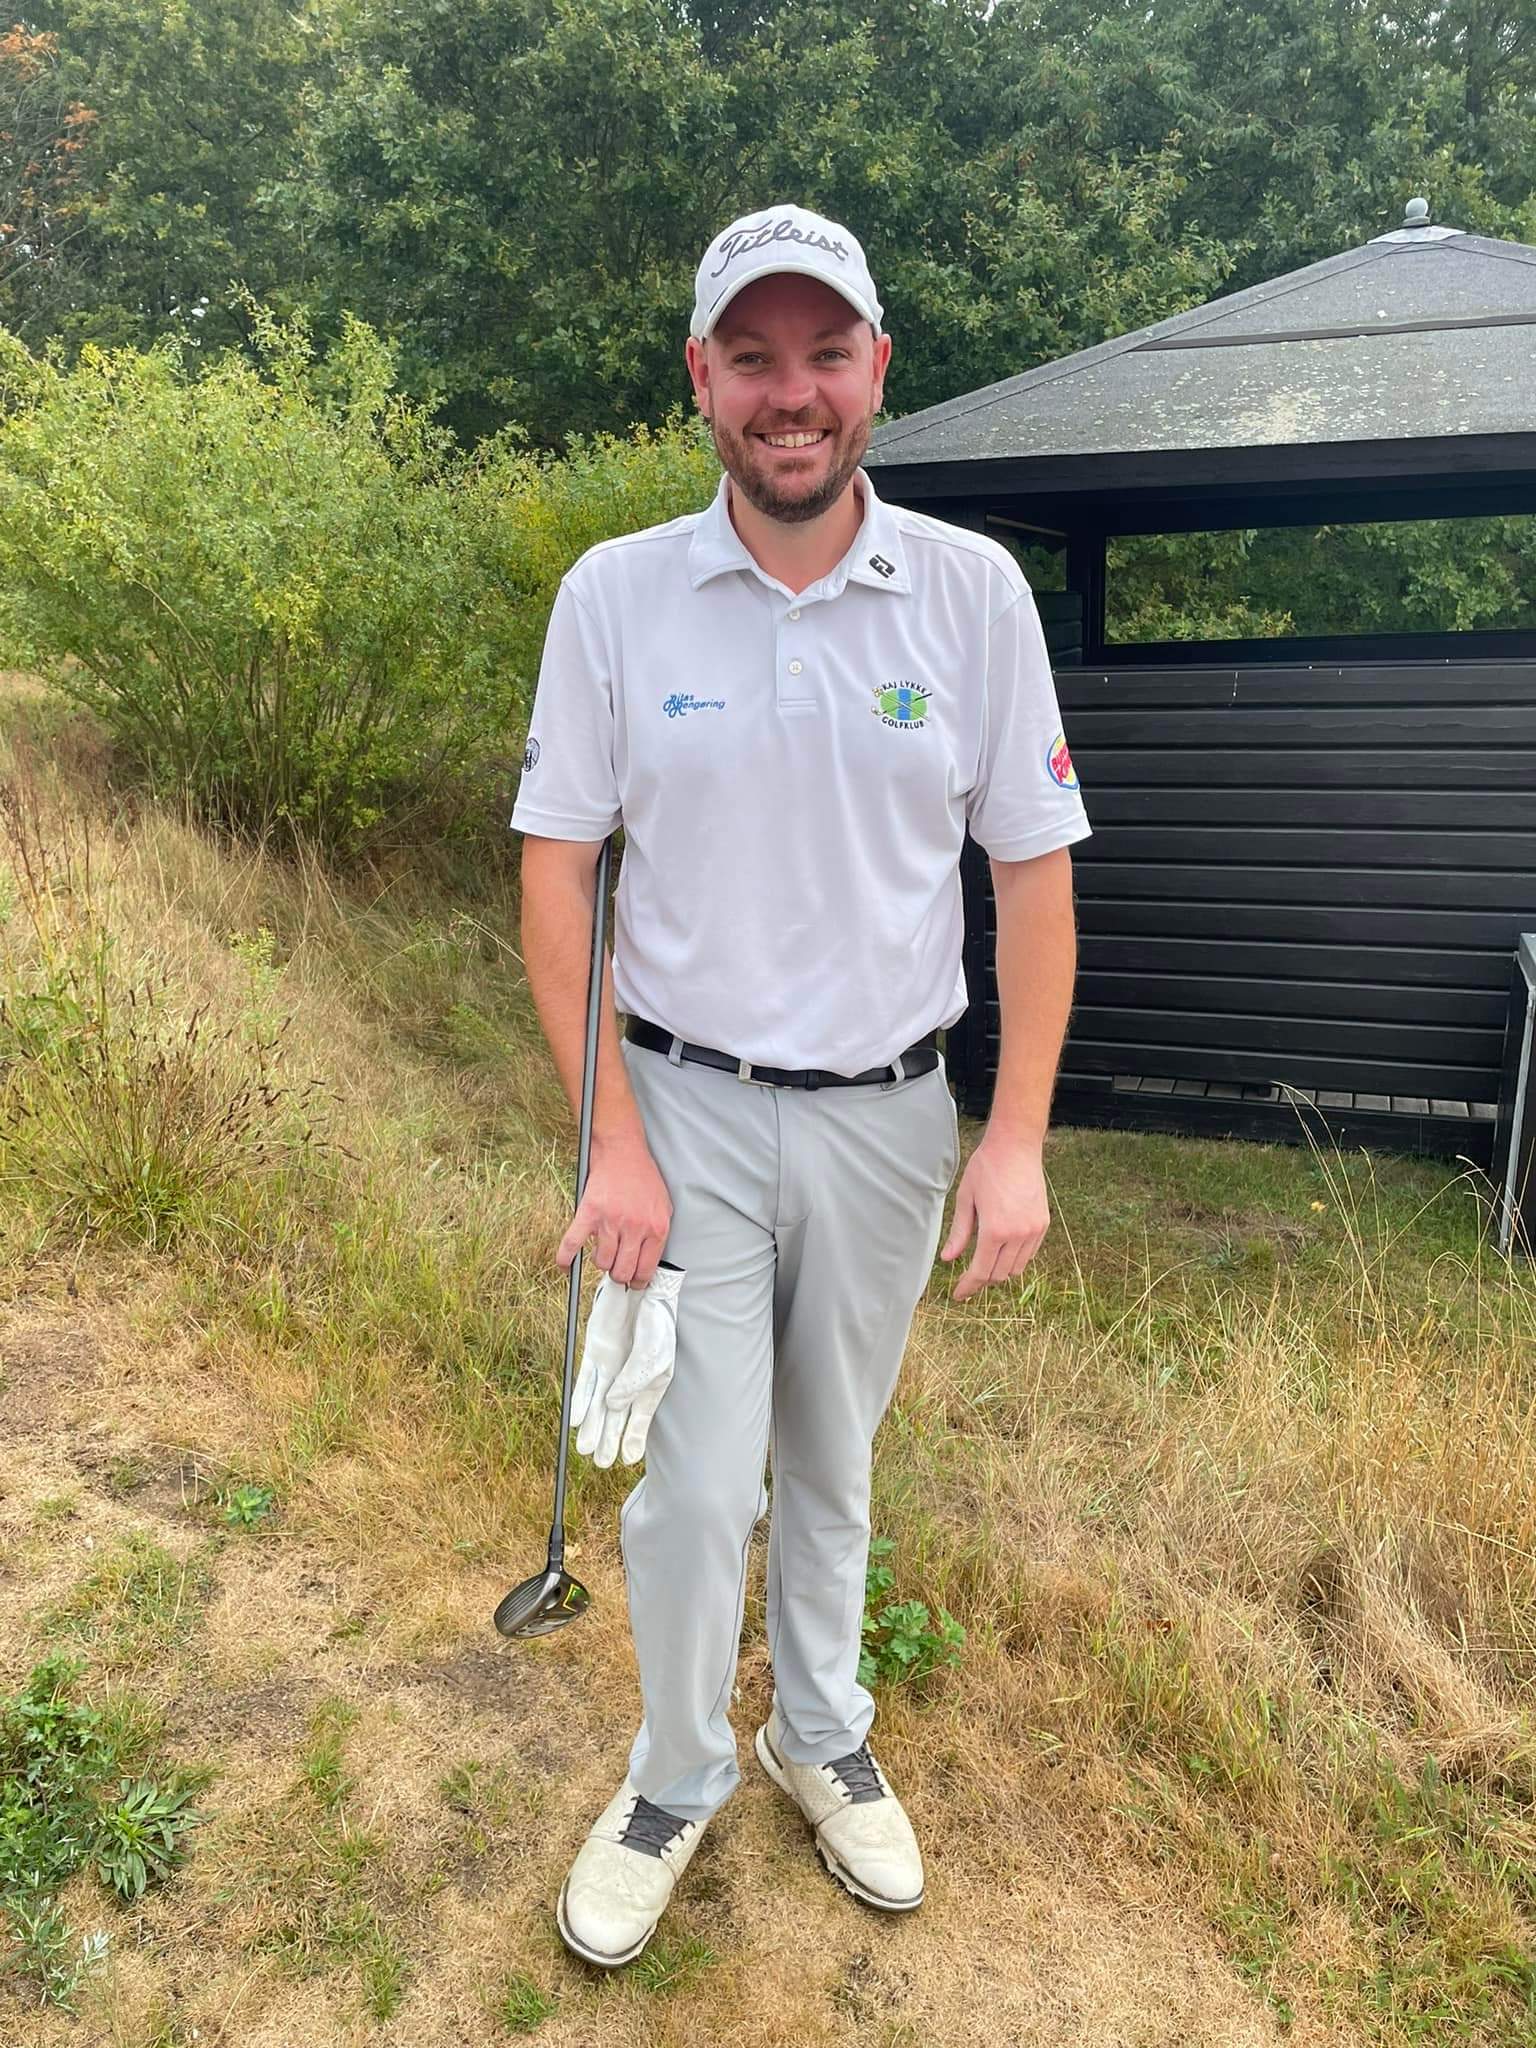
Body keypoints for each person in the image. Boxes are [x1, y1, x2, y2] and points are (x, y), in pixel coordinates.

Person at [509, 202, 1091, 1969]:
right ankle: (675, 1769)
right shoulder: (615, 597)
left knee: (833, 1459)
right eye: (753, 357)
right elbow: (557, 873)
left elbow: (1033, 874)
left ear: (875, 371)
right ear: (701, 378)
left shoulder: (972, 596)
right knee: (695, 1486)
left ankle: (818, 1736)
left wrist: (1013, 1138)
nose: (792, 393)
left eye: (824, 353)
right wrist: (610, 1140)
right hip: (680, 1112)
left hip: (889, 1119)